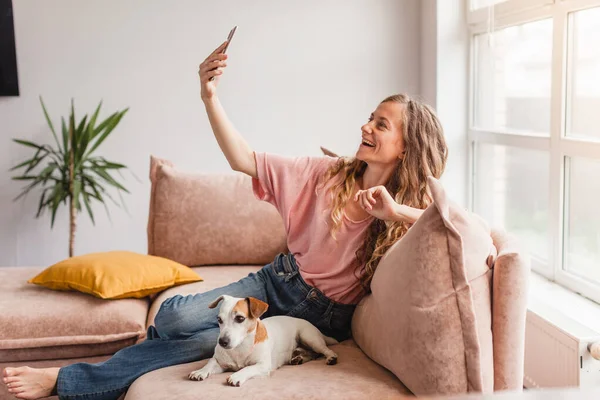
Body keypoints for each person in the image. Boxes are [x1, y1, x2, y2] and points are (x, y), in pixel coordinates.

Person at [2, 39, 448, 400]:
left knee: (208, 344)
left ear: (406, 147)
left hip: (321, 316)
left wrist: (394, 211)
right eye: (371, 118)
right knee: (175, 321)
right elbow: (242, 158)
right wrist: (209, 96)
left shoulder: (404, 208)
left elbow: (458, 224)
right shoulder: (326, 174)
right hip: (278, 281)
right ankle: (157, 346)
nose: (367, 127)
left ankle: (65, 380)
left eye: (382, 125)